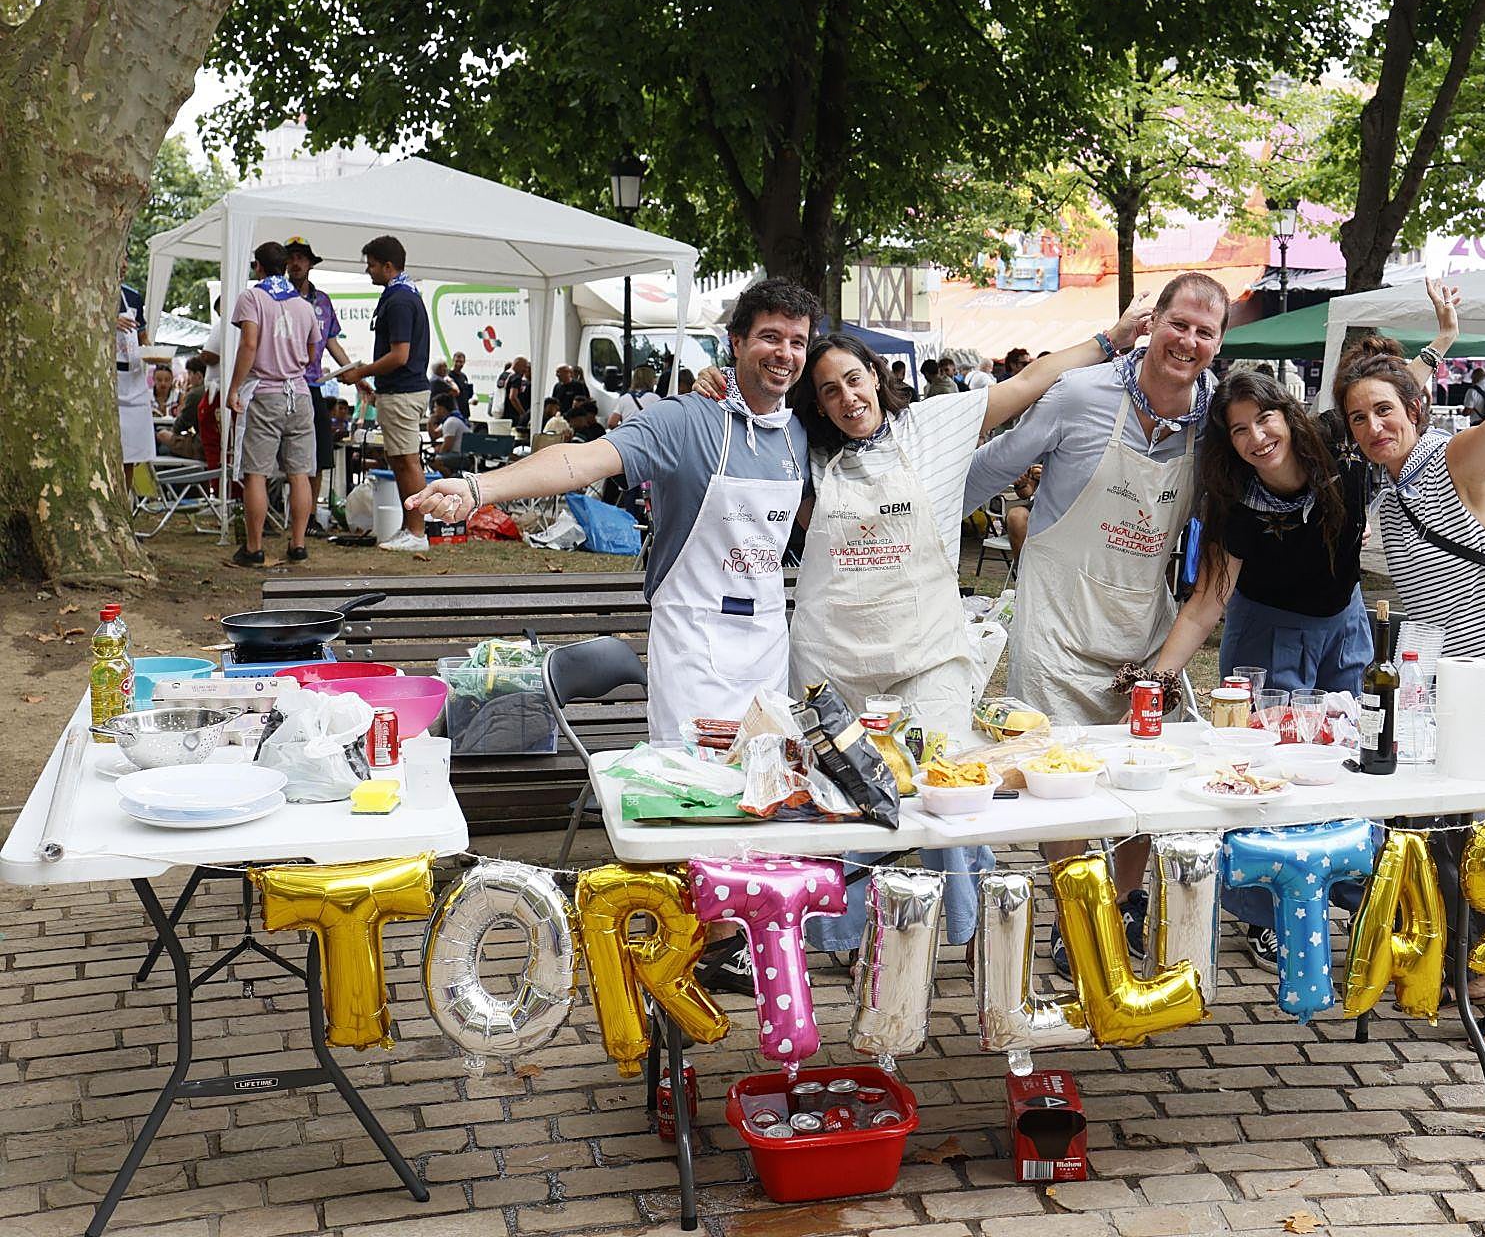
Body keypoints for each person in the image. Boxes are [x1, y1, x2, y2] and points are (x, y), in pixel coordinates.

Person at [407, 278, 821, 992]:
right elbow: (584, 459)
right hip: (694, 637)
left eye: (796, 341)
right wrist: (479, 490)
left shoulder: (804, 430)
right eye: (769, 337)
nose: (782, 354)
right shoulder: (686, 422)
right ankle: (694, 946)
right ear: (736, 342)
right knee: (694, 802)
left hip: (766, 640)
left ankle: (740, 941)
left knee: (762, 792)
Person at [708, 302, 1154, 961]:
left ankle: (974, 936)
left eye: (853, 380)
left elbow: (1029, 384)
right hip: (834, 665)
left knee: (951, 784)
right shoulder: (802, 450)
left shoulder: (932, 428)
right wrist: (714, 388)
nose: (846, 397)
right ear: (818, 405)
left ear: (876, 376)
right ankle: (850, 937)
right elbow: (743, 422)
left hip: (927, 652)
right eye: (828, 390)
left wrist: (1106, 339)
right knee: (842, 799)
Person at [1337, 287, 1485, 1053]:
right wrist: (1441, 338)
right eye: (1358, 418)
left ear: (1416, 409)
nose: (1374, 426)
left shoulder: (1451, 459)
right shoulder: (1391, 475)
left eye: (1385, 411)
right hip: (1442, 682)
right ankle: (1467, 967)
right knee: (1437, 825)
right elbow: (1402, 377)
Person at [962, 273, 1227, 972]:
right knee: (1058, 781)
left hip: (1140, 625)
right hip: (1054, 624)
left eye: (1205, 331)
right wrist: (913, 512)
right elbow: (992, 467)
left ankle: (1125, 899)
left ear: (1218, 343)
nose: (1189, 341)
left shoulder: (1216, 423)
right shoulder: (1082, 395)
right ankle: (1076, 912)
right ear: (1151, 323)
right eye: (1180, 324)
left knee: (1140, 773)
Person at [1147, 368, 1372, 969]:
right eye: (1239, 430)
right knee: (1264, 774)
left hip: (1343, 624)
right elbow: (1206, 604)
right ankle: (1267, 912)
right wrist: (1157, 681)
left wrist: (1442, 340)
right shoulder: (1234, 501)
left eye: (1264, 418)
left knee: (1340, 763)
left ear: (1288, 413)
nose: (1256, 437)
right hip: (1267, 635)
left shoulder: (1342, 452)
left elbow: (1394, 394)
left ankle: (1342, 886)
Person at [227, 241, 324, 566]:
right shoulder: (304, 305)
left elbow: (249, 343)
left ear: (258, 267)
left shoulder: (252, 297)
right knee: (299, 473)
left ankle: (254, 548)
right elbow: (313, 354)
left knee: (256, 473)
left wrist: (234, 388)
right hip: (299, 393)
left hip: (265, 393)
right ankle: (298, 545)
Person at [340, 235, 433, 551]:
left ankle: (417, 533)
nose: (368, 271)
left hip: (403, 392)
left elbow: (400, 355)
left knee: (407, 462)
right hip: (400, 391)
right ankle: (411, 528)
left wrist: (361, 372)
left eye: (372, 265)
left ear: (388, 266)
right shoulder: (405, 295)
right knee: (399, 460)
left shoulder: (400, 301)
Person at [284, 237, 351, 525]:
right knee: (284, 456)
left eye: (302, 257)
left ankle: (309, 517)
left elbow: (332, 342)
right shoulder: (278, 295)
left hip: (314, 386)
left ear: (311, 263)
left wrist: (353, 372)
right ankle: (282, 512)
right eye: (292, 257)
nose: (296, 262)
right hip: (283, 384)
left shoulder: (322, 300)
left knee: (320, 454)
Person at [115, 267, 155, 486]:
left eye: (126, 260)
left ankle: (125, 501)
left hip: (133, 375)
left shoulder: (132, 297)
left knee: (131, 451)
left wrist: (152, 353)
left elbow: (142, 337)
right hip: (109, 377)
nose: (123, 265)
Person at [428, 394, 470, 473]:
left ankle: (449, 478)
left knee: (434, 461)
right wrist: (430, 422)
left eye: (436, 407)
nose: (434, 410)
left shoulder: (451, 422)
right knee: (436, 453)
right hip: (458, 454)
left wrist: (437, 455)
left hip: (463, 457)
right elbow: (434, 435)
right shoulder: (449, 420)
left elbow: (447, 446)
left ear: (442, 408)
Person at [500, 357, 533, 433]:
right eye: (524, 367)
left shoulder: (504, 375)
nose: (525, 370)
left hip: (502, 414)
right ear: (517, 364)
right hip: (513, 416)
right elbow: (513, 397)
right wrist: (523, 414)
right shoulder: (516, 377)